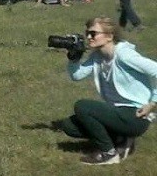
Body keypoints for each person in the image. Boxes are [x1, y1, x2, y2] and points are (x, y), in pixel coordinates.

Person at [57, 17, 157, 165]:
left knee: (83, 106)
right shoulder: (98, 56)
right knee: (69, 125)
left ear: (109, 36)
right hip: (118, 112)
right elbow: (77, 76)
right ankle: (121, 138)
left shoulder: (124, 55)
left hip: (135, 114)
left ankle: (109, 153)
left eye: (93, 33)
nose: (89, 37)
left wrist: (152, 103)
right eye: (87, 33)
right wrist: (73, 58)